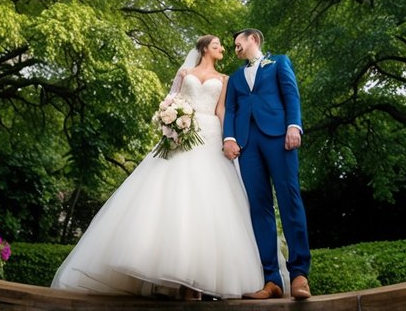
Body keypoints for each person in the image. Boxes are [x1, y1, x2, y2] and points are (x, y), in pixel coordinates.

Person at [51, 35, 265, 300]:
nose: (222, 48)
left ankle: (194, 285)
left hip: (209, 136)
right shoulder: (184, 72)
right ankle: (169, 281)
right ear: (203, 49)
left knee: (206, 201)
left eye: (222, 45)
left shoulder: (224, 80)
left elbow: (221, 110)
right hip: (180, 139)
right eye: (217, 45)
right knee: (170, 198)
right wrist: (171, 123)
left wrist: (228, 139)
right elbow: (169, 102)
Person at [223, 28, 312, 300]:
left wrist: (294, 126)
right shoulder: (236, 77)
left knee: (289, 199)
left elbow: (291, 96)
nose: (235, 48)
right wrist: (229, 137)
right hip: (247, 145)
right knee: (258, 208)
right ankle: (271, 279)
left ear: (254, 39)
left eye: (239, 43)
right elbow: (232, 108)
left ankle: (299, 274)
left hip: (279, 137)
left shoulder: (280, 62)